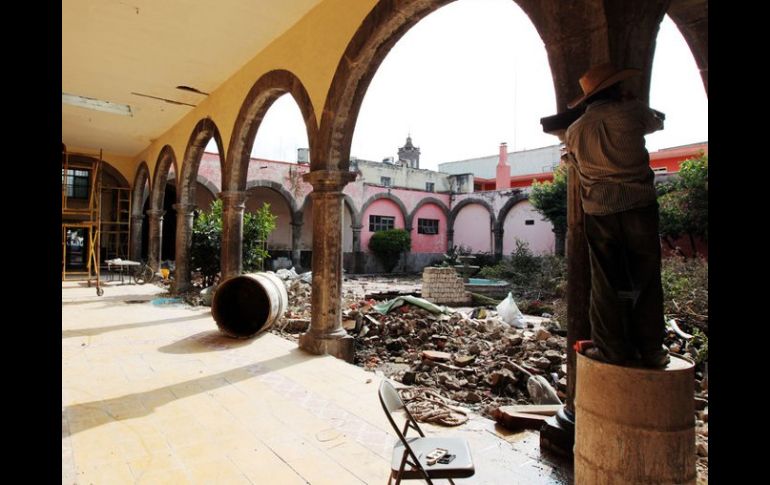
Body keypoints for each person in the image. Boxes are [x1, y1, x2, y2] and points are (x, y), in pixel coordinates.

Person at [564, 63, 670, 368]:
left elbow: (572, 162)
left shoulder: (575, 130)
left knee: (606, 282)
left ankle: (611, 348)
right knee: (645, 277)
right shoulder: (632, 112)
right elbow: (657, 122)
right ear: (615, 89)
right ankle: (651, 348)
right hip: (637, 205)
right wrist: (632, 99)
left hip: (599, 213)